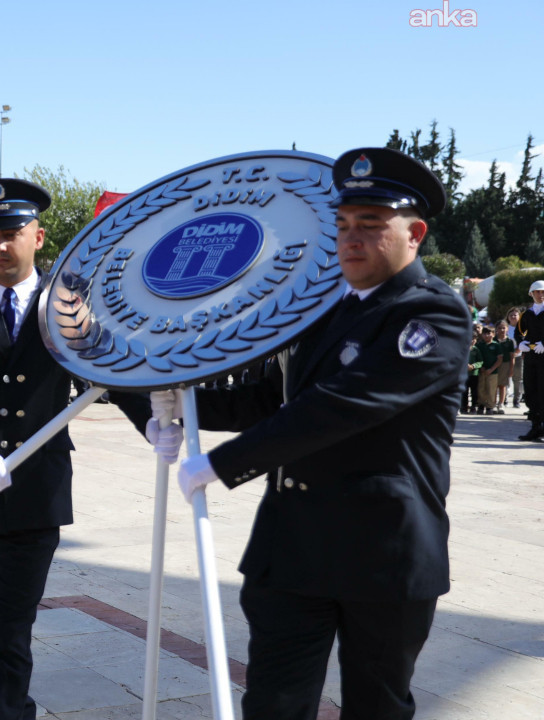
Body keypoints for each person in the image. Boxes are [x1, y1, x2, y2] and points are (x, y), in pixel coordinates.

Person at [175, 148, 470, 719]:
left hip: (381, 556)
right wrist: (160, 400)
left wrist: (224, 464)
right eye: (342, 225)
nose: (351, 238)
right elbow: (267, 398)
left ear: (416, 234)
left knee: (376, 709)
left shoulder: (432, 314)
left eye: (370, 225)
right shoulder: (320, 313)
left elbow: (342, 406)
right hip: (293, 553)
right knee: (273, 706)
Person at [0, 177, 160, 720]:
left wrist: (152, 424)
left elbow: (108, 374)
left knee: (11, 629)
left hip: (37, 487)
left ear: (38, 236)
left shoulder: (69, 304)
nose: (0, 247)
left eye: (11, 233)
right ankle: (15, 707)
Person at [516, 280, 544, 441]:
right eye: (538, 292)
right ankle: (535, 426)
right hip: (532, 356)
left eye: (543, 292)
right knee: (531, 388)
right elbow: (519, 331)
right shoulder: (527, 314)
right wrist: (521, 342)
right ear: (531, 294)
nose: (541, 295)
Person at [474, 325, 502, 415]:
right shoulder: (479, 345)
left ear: (493, 334)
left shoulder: (496, 345)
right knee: (481, 388)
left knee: (491, 389)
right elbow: (476, 357)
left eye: (489, 333)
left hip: (493, 371)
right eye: (485, 334)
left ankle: (490, 406)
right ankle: (481, 405)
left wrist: (491, 369)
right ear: (482, 335)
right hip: (481, 371)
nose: (487, 336)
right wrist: (481, 367)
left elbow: (499, 359)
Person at [506, 306, 525, 408]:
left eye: (515, 315)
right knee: (504, 378)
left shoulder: (523, 328)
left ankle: (516, 400)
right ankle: (504, 399)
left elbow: (525, 341)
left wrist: (517, 351)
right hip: (506, 357)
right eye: (511, 315)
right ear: (508, 317)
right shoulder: (505, 327)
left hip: (518, 356)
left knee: (518, 379)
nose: (513, 316)